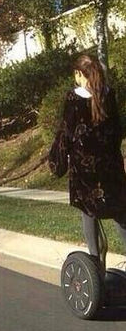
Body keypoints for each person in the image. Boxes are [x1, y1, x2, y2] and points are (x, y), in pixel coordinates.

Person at [49, 54, 126, 258]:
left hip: (84, 168)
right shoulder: (108, 95)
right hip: (110, 165)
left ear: (79, 73)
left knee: (88, 212)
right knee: (120, 211)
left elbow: (66, 132)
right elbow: (118, 130)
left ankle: (95, 261)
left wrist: (57, 161)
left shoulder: (74, 98)